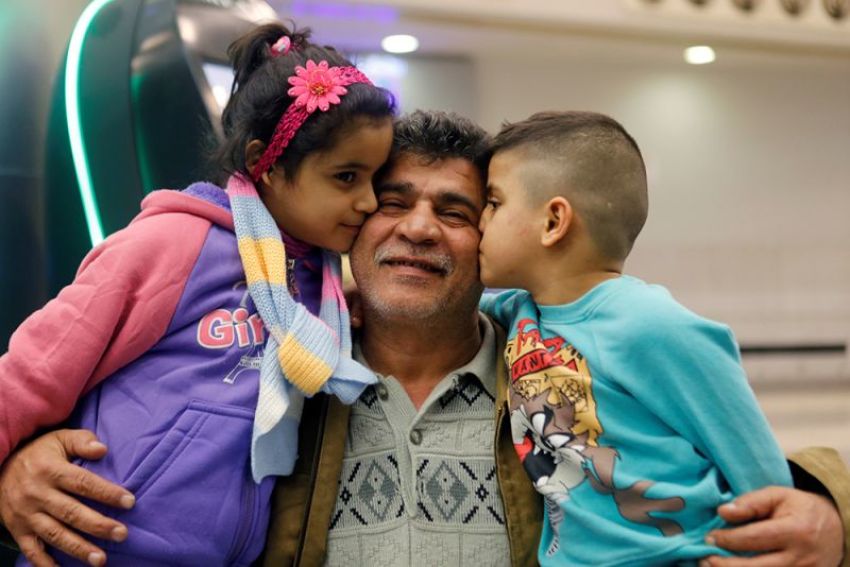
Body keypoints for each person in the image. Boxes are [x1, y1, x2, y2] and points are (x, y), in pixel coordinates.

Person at [1, 111, 848, 566]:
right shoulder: (284, 370)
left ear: (504, 237)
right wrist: (17, 463)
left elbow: (727, 459)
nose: (419, 229)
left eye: (457, 209)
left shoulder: (551, 361)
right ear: (349, 227)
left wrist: (832, 512)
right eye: (391, 201)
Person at [0, 21, 395, 566]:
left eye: (376, 179)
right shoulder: (173, 243)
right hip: (93, 549)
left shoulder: (322, 284)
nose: (369, 202)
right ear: (267, 164)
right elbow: (32, 373)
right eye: (346, 177)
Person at [476, 110, 808, 564]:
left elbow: (764, 480)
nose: (479, 220)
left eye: (494, 203)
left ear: (553, 221)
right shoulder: (518, 312)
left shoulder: (652, 326)